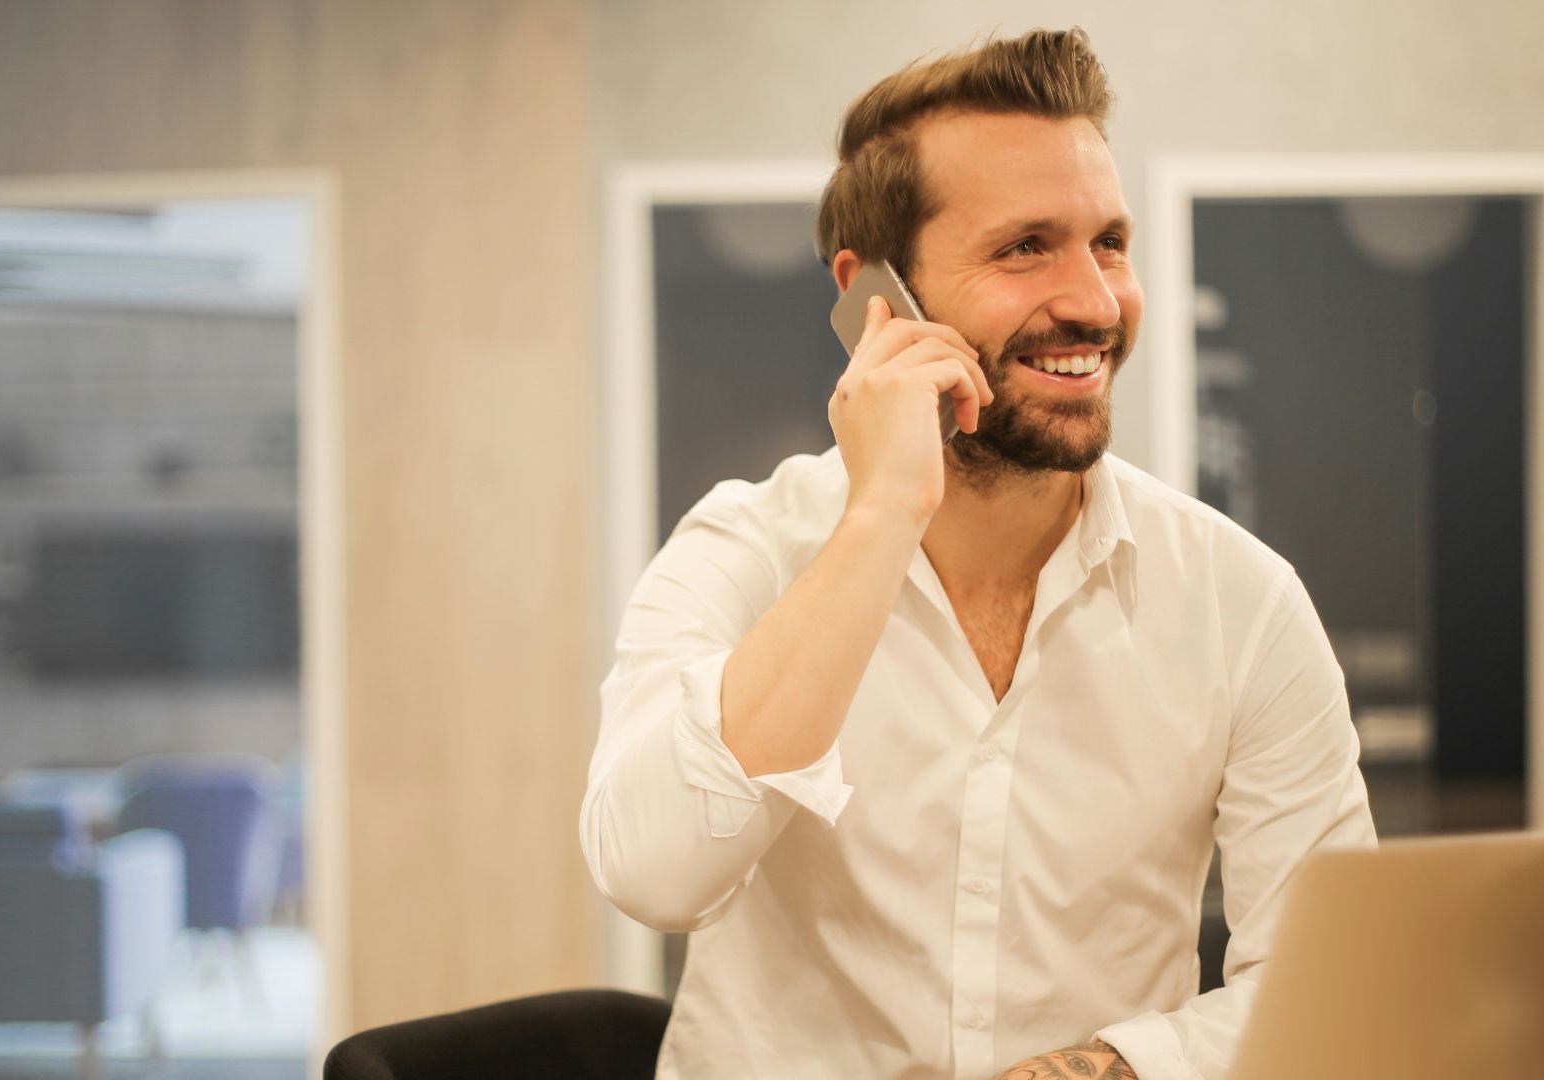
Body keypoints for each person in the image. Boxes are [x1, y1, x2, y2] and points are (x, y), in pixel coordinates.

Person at [581, 27, 1376, 1080]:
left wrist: (1104, 1070)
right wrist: (881, 520)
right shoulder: (743, 549)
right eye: (1025, 247)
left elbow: (1328, 994)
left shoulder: (1243, 603)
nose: (1095, 301)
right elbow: (653, 873)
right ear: (880, 302)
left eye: (1109, 242)